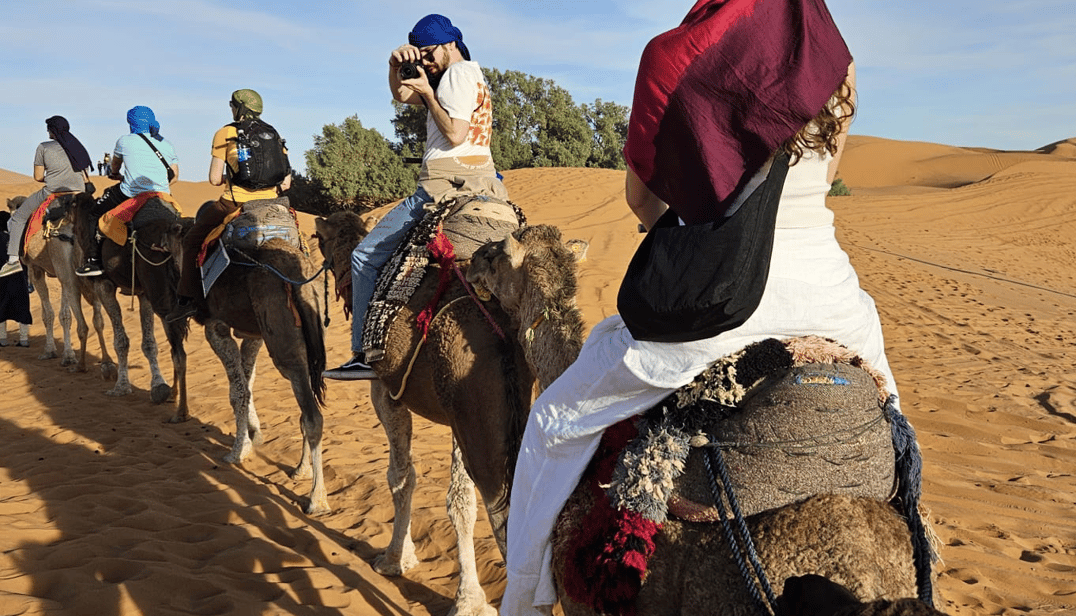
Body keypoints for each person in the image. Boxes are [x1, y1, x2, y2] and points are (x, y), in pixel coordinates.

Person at [498, 1, 909, 614]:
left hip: (716, 313)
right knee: (892, 424)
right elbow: (825, 178)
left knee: (553, 422)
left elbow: (644, 201)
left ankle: (524, 598)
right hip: (833, 300)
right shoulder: (833, 50)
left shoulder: (676, 56)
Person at [324, 13, 506, 380]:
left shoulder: (454, 75)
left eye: (428, 53)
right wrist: (395, 67)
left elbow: (454, 134)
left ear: (450, 43)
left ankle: (364, 353)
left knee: (363, 256)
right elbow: (402, 95)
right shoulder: (470, 75)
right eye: (418, 56)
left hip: (442, 185)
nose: (424, 61)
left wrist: (427, 92)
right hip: (485, 183)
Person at [168, 88, 292, 322]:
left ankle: (186, 301)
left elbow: (215, 179)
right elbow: (286, 182)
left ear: (240, 108)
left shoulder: (226, 132)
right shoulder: (274, 134)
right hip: (275, 202)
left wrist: (234, 178)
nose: (232, 109)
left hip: (235, 203)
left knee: (191, 241)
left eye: (232, 105)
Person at [75, 106, 179, 276]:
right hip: (163, 194)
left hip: (131, 192)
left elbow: (114, 167)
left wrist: (116, 175)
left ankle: (94, 261)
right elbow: (175, 175)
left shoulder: (124, 141)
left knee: (93, 214)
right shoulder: (166, 144)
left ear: (131, 122)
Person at [1, 115, 91, 279]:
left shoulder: (44, 147)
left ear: (52, 131)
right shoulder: (77, 147)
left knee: (18, 218)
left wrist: (52, 177)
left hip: (53, 192)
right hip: (79, 193)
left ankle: (13, 260)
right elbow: (86, 174)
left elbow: (37, 176)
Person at [0, 210, 33, 346]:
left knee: (1, 308)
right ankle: (24, 340)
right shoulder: (19, 237)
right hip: (20, 279)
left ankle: (2, 340)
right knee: (23, 308)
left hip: (2, 279)